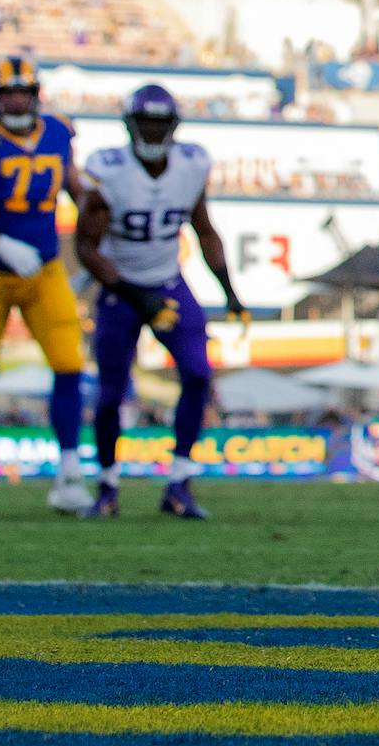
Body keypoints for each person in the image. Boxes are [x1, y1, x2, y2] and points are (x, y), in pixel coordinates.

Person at [73, 85, 248, 519]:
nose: (152, 130)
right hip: (119, 287)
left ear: (173, 125)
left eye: (160, 122)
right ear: (130, 125)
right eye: (145, 122)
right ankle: (107, 487)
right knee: (111, 393)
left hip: (169, 282)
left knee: (198, 374)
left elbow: (204, 230)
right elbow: (86, 248)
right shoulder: (109, 171)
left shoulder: (191, 165)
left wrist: (229, 291)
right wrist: (139, 298)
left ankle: (179, 484)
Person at [0, 57, 93, 512]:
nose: (14, 100)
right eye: (7, 93)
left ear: (35, 95)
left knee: (69, 364)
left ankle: (70, 473)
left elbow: (77, 189)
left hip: (44, 270)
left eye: (21, 92)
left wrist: (99, 230)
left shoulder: (57, 133)